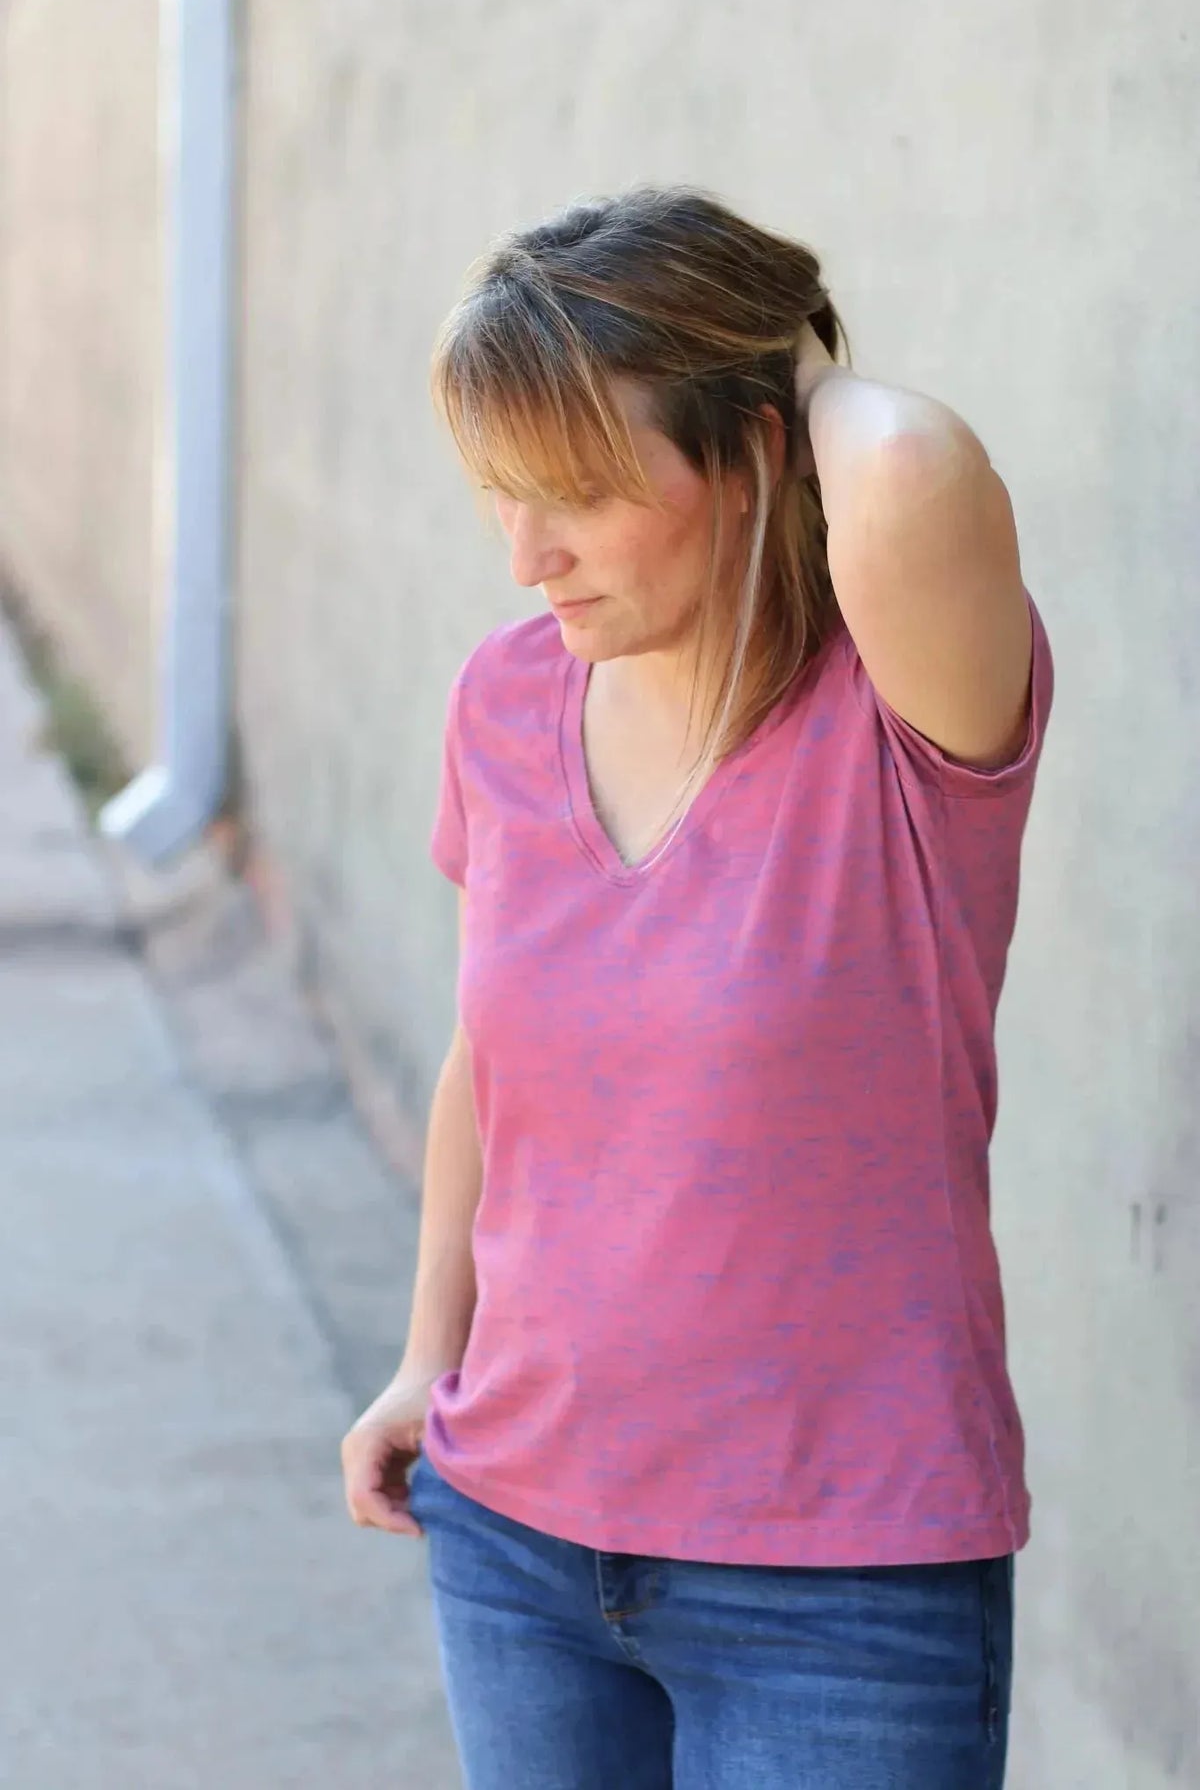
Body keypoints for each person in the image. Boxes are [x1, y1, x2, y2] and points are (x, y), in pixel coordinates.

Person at [341, 184, 1054, 1790]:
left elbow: (913, 461)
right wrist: (422, 1354)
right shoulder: (509, 700)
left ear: (752, 457)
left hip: (840, 1588)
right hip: (515, 1543)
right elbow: (490, 1058)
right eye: (501, 496)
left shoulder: (902, 717)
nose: (528, 557)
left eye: (580, 492)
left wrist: (787, 356)